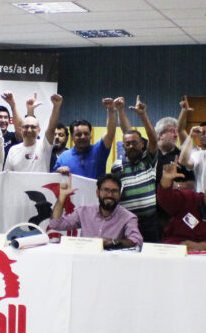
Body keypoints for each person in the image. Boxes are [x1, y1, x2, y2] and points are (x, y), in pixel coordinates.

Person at [47, 171, 143, 249]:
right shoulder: (84, 212)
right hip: (84, 259)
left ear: (119, 195)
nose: (110, 195)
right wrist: (62, 197)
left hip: (111, 261)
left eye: (114, 191)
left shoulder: (128, 217)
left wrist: (111, 242)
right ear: (97, 193)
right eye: (106, 190)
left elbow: (137, 241)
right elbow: (55, 224)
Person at [111, 96, 160, 242]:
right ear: (123, 146)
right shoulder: (116, 166)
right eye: (128, 144)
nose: (131, 146)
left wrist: (143, 115)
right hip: (127, 221)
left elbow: (153, 140)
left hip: (151, 221)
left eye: (135, 143)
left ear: (142, 144)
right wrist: (120, 110)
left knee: (151, 253)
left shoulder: (148, 159)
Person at [55, 98, 118, 179]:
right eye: (78, 134)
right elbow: (53, 178)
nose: (83, 137)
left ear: (90, 136)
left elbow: (110, 133)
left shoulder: (99, 151)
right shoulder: (63, 157)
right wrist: (58, 171)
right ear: (72, 137)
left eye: (86, 134)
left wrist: (111, 110)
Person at [2, 91, 63, 172]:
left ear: (39, 130)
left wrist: (56, 106)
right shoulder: (13, 150)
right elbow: (7, 175)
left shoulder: (44, 146)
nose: (29, 130)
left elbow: (51, 128)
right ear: (20, 129)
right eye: (26, 127)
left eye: (33, 127)